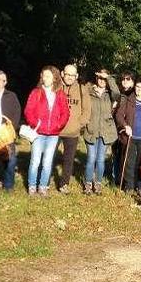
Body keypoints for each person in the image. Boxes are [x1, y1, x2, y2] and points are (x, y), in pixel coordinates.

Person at [24, 65, 70, 196]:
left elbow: (65, 113)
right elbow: (28, 111)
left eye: (48, 76)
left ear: (55, 78)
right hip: (38, 133)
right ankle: (32, 186)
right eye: (44, 75)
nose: (46, 78)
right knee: (35, 161)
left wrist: (58, 125)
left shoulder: (60, 93)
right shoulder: (36, 92)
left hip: (53, 134)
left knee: (47, 162)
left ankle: (43, 186)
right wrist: (35, 123)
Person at [81, 69, 121, 194]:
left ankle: (97, 183)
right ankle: (88, 183)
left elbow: (117, 94)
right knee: (91, 158)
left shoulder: (110, 94)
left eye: (104, 79)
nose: (102, 81)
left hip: (105, 132)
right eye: (100, 78)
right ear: (96, 78)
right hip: (91, 131)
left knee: (100, 159)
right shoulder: (89, 92)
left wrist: (108, 77)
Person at [57, 64, 88, 194]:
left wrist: (78, 124)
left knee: (68, 160)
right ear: (63, 74)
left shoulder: (82, 89)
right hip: (55, 130)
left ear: (76, 76)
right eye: (67, 74)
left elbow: (87, 110)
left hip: (72, 131)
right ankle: (43, 182)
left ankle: (64, 183)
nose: (70, 77)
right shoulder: (55, 87)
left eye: (72, 75)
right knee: (48, 157)